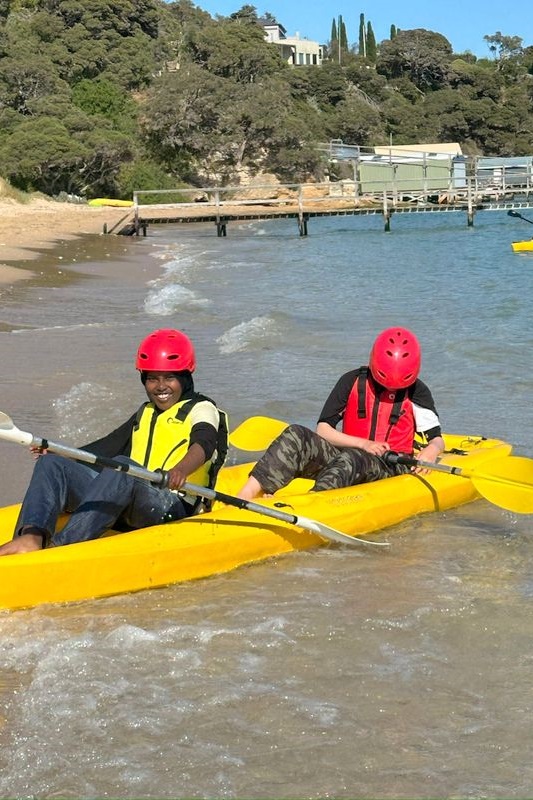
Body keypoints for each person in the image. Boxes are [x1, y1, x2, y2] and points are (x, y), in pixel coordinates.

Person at [0, 328, 227, 556]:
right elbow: (106, 447)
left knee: (123, 468)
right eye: (152, 378)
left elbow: (204, 444)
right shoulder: (146, 412)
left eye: (169, 377)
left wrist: (180, 470)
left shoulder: (202, 408)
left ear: (185, 377)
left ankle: (60, 548)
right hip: (130, 500)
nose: (160, 386)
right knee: (51, 465)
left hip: (170, 506)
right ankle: (31, 536)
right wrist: (58, 453)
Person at [237, 327, 445, 500]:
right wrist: (364, 444)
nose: (391, 389)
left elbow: (436, 439)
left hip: (391, 467)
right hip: (348, 456)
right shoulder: (351, 381)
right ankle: (247, 494)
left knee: (352, 458)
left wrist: (431, 451)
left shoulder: (418, 391)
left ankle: (311, 503)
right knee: (296, 434)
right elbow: (324, 430)